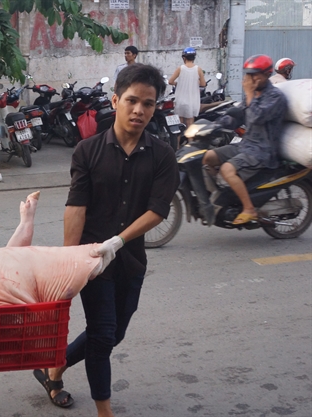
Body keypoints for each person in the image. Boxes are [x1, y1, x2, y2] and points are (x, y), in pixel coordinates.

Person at [33, 64, 179, 416]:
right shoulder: (88, 151)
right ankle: (104, 411)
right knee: (102, 337)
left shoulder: (162, 155)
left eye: (148, 103)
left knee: (116, 334)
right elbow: (76, 208)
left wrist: (118, 241)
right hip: (93, 263)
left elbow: (158, 210)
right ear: (115, 100)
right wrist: (70, 263)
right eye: (132, 100)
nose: (139, 110)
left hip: (129, 260)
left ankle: (54, 368)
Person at [201, 54, 287, 226]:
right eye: (248, 74)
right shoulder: (253, 95)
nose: (250, 78)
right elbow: (236, 116)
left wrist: (248, 94)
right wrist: (209, 128)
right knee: (205, 157)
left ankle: (249, 208)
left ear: (266, 74)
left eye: (254, 74)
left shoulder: (275, 97)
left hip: (263, 152)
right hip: (245, 146)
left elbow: (256, 117)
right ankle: (224, 196)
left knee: (227, 169)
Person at [168, 47, 206, 128]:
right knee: (190, 126)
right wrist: (195, 82)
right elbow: (203, 84)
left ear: (184, 58)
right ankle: (190, 141)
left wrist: (177, 84)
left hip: (180, 101)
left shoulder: (180, 68)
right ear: (194, 58)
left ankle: (178, 141)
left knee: (179, 126)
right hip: (192, 102)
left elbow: (170, 81)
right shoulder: (198, 69)